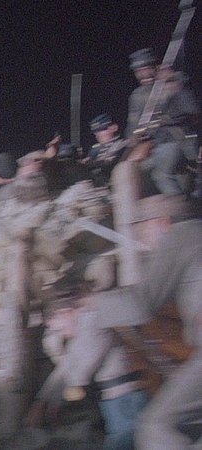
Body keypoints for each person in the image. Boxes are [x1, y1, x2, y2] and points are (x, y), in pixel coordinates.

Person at [85, 194, 201, 448]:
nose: (141, 239)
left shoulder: (181, 235)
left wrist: (91, 303)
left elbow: (139, 304)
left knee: (157, 426)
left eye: (141, 229)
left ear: (162, 222)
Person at [30, 290, 147, 450]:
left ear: (65, 312)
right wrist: (45, 401)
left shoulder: (92, 324)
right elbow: (69, 366)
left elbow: (79, 374)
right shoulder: (83, 328)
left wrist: (58, 399)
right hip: (116, 400)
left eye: (59, 329)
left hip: (125, 400)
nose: (62, 334)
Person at [126, 49, 200, 195]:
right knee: (136, 173)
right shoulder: (137, 95)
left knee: (161, 175)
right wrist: (134, 138)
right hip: (155, 145)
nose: (143, 75)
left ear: (156, 67)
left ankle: (178, 206)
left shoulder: (173, 84)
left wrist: (176, 86)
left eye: (147, 69)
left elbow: (194, 111)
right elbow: (133, 125)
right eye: (139, 71)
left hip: (178, 140)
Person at [81, 113, 126, 187]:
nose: (97, 135)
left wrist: (93, 163)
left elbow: (111, 163)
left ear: (114, 128)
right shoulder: (95, 149)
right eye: (95, 132)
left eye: (101, 130)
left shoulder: (122, 145)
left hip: (115, 184)